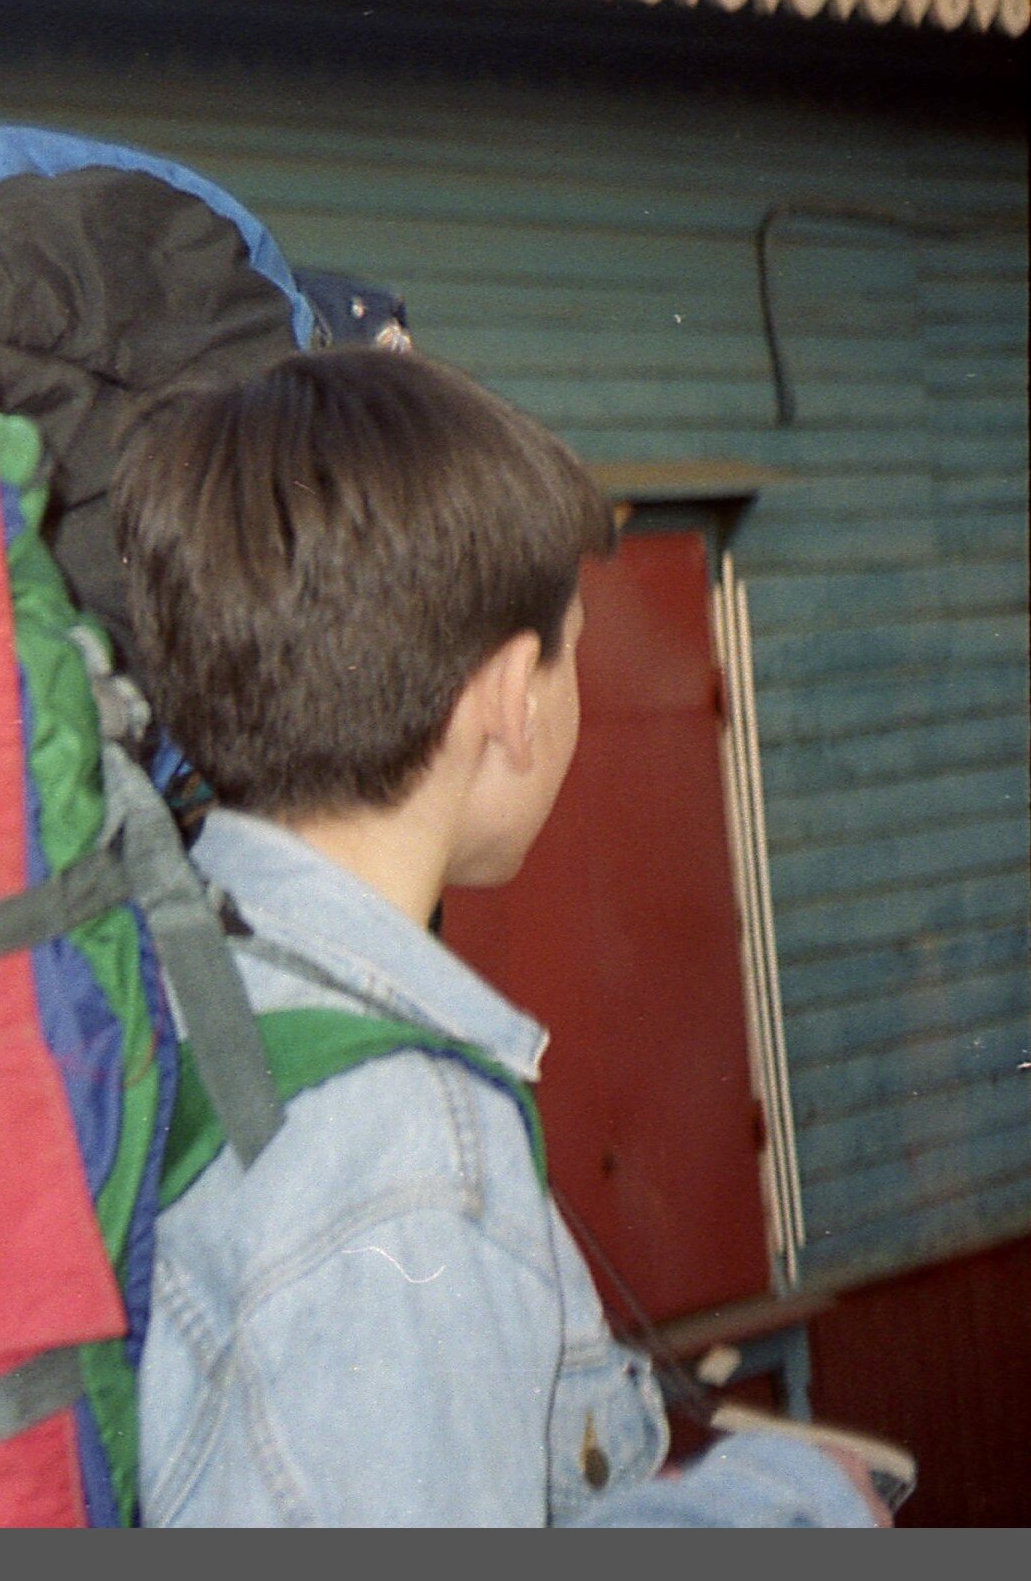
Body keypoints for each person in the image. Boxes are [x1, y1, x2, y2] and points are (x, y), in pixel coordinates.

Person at [113, 348, 885, 1528]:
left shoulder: (169, 968)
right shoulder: (397, 1153)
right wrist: (787, 1504)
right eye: (571, 644)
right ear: (509, 697)